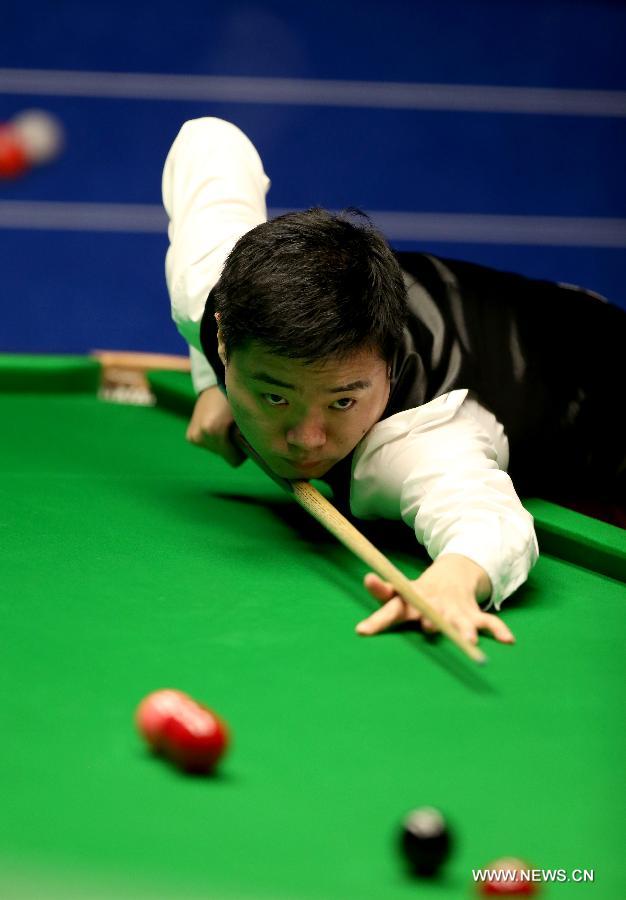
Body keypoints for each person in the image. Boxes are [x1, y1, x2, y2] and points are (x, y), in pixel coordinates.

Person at [162, 117, 625, 648]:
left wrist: (453, 580)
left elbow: (485, 520)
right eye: (275, 395)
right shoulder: (211, 288)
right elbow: (208, 138)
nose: (307, 439)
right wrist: (209, 378)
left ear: (387, 362)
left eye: (341, 402)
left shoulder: (416, 437)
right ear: (223, 336)